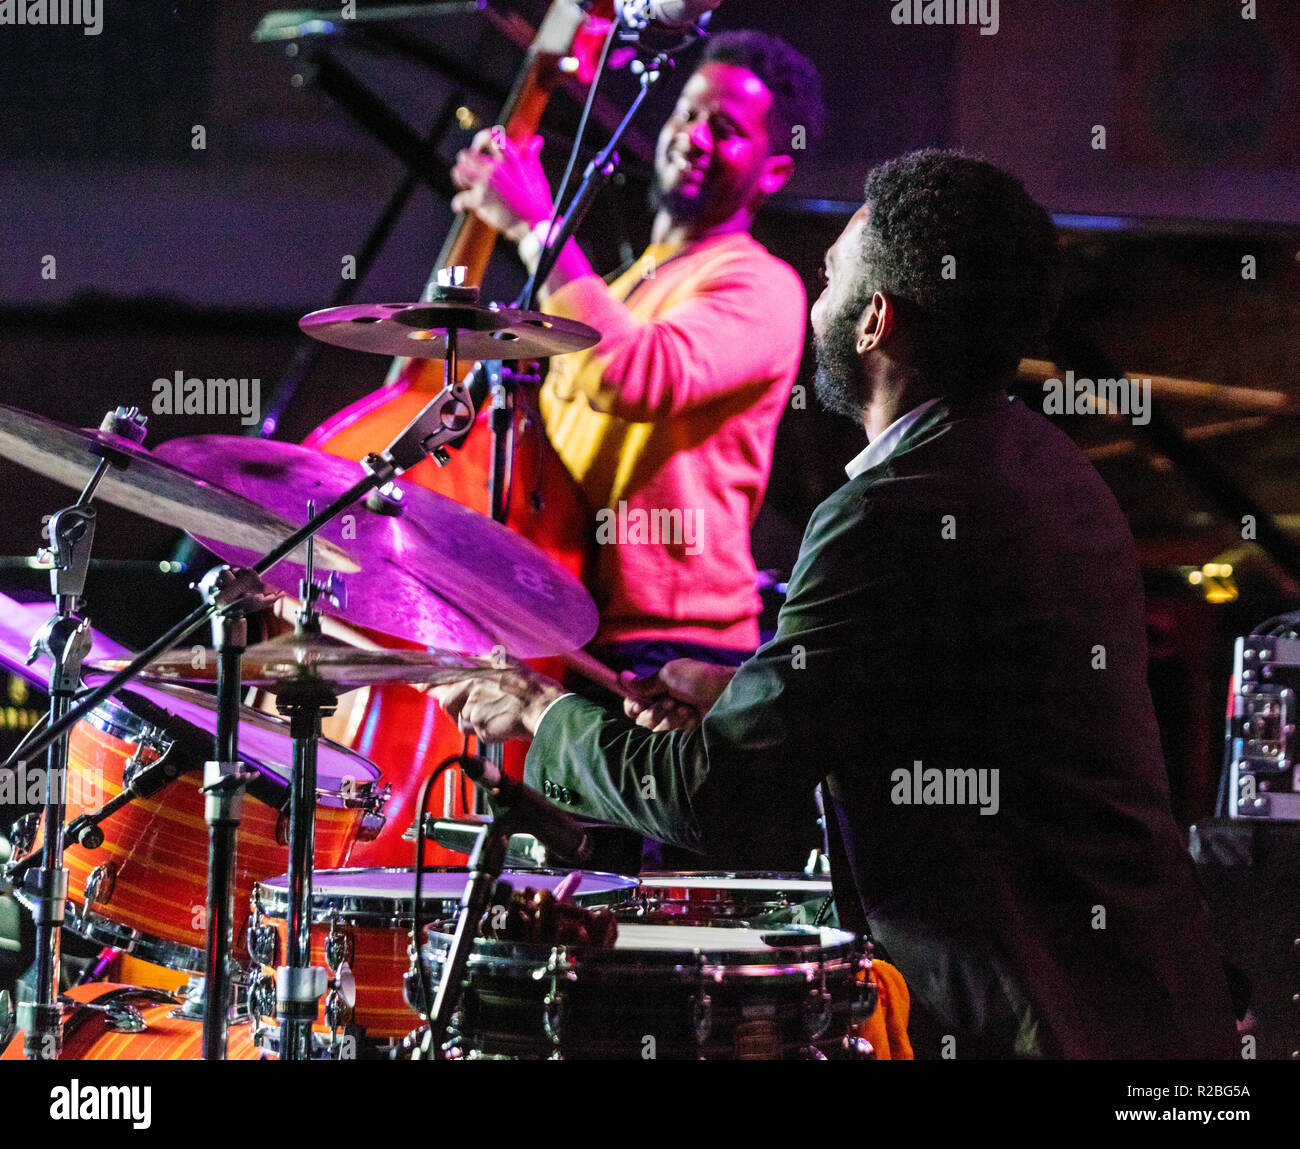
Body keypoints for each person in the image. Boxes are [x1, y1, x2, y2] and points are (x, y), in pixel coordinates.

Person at [433, 150, 1240, 1059]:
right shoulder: (1049, 470)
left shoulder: (888, 511)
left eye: (832, 276)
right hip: (1152, 1007)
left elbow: (715, 798)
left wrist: (543, 716)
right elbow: (935, 702)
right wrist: (742, 688)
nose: (817, 292)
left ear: (874, 321)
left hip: (1040, 1020)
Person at [450, 30, 822, 680]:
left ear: (776, 168)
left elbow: (632, 376)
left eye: (727, 128)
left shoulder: (761, 283)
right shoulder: (624, 287)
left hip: (675, 646)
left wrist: (537, 229)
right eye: (688, 112)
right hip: (570, 621)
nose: (694, 136)